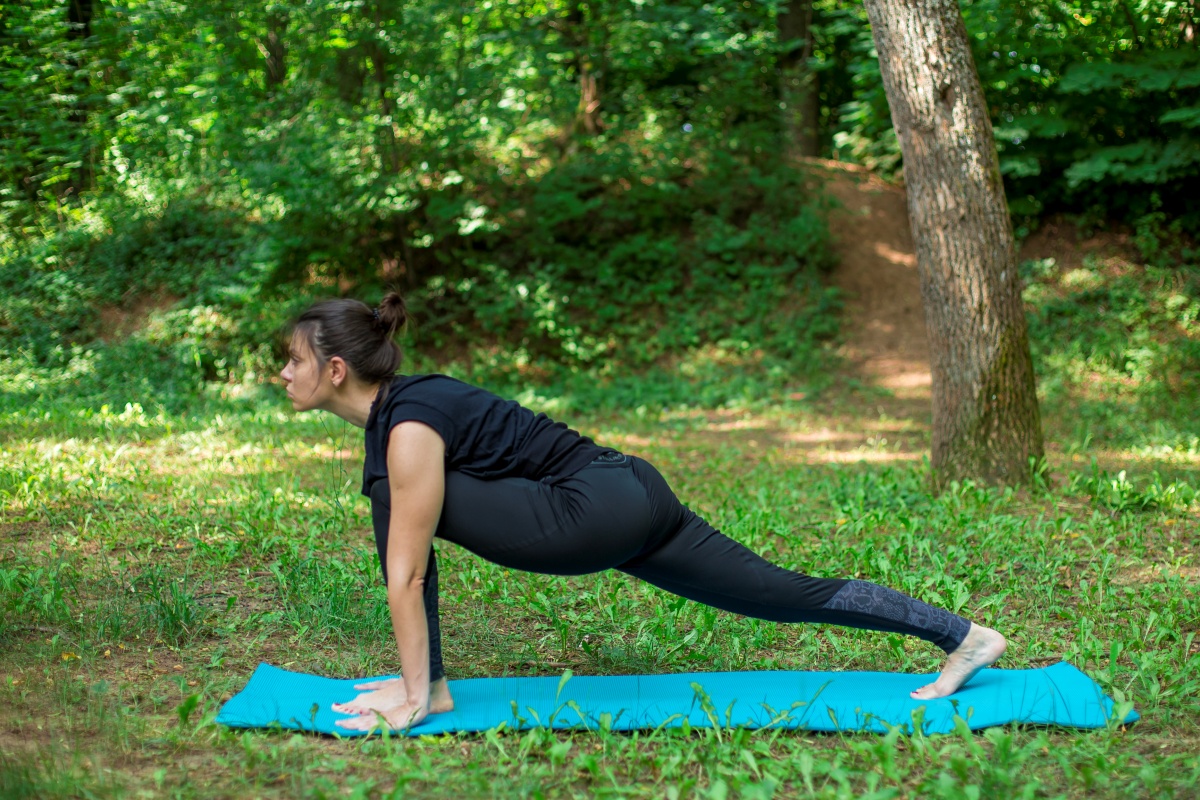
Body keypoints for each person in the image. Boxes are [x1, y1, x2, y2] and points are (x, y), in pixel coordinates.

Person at [278, 294, 1007, 732]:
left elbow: (406, 576)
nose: (282, 373)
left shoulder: (407, 430)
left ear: (335, 369)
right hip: (629, 490)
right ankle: (964, 637)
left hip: (590, 508)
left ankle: (425, 689)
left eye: (293, 360)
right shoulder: (412, 412)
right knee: (781, 593)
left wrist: (411, 693)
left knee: (395, 502)